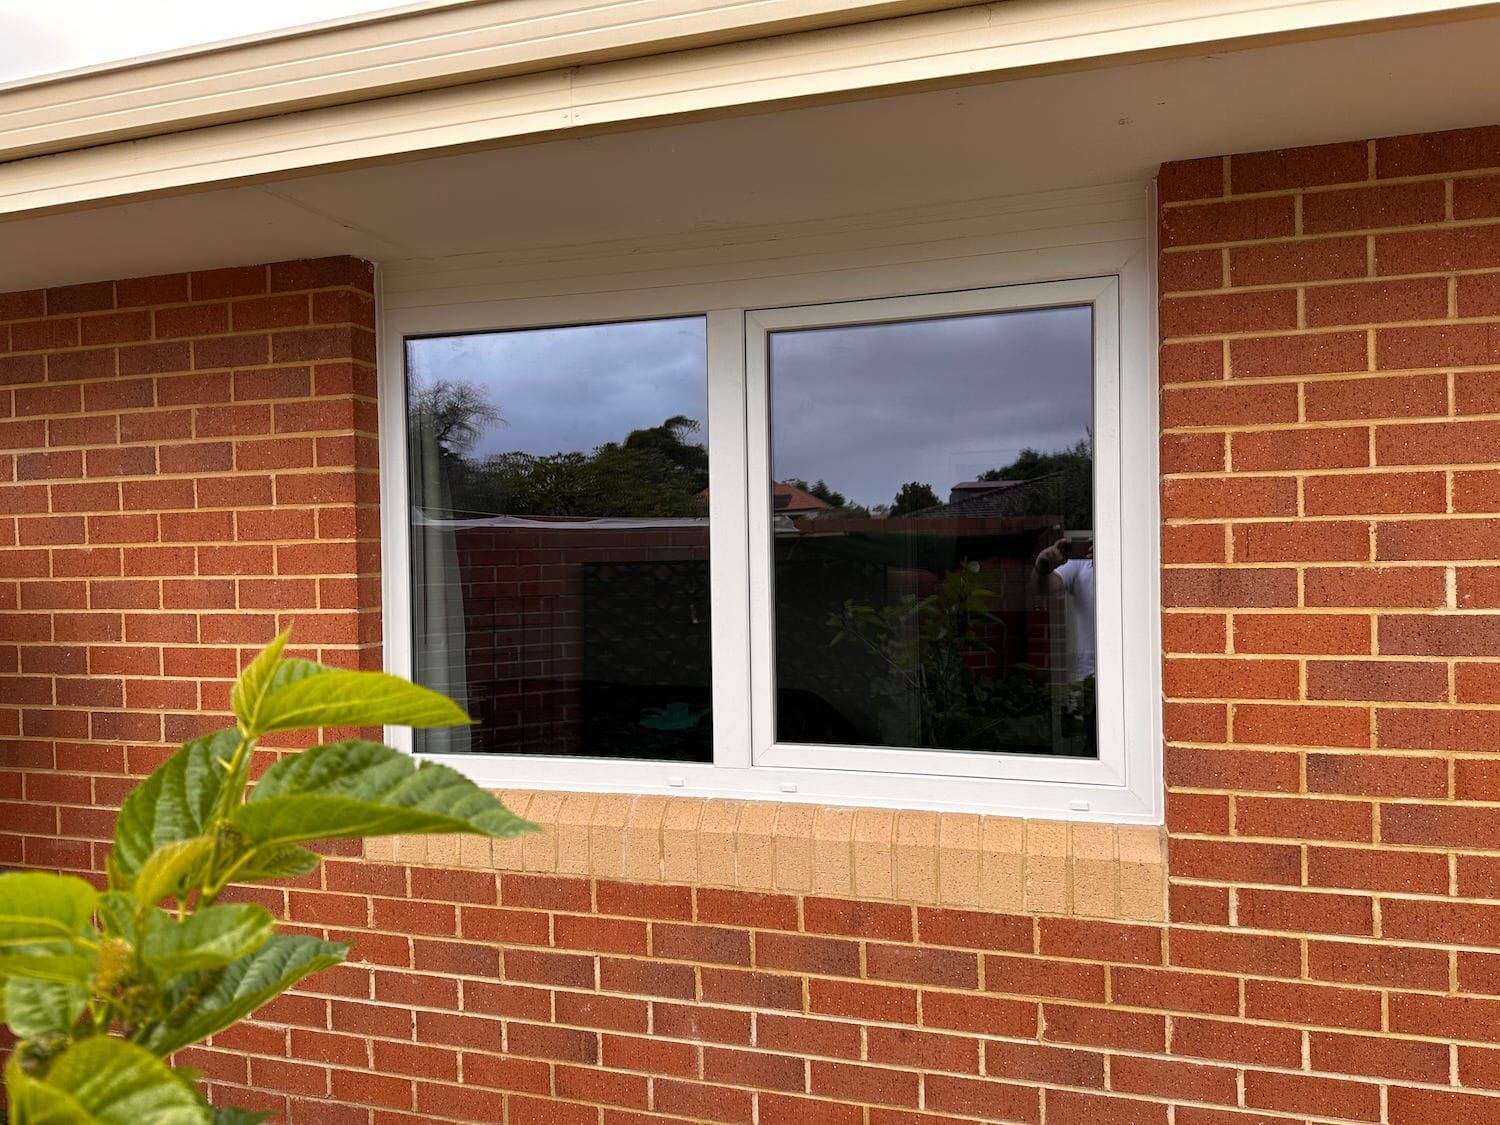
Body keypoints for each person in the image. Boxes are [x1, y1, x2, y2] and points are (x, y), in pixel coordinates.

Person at [1032, 536, 1095, 681]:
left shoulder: (1131, 560)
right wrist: (1042, 567)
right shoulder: (1082, 561)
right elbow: (1045, 589)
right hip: (1090, 672)